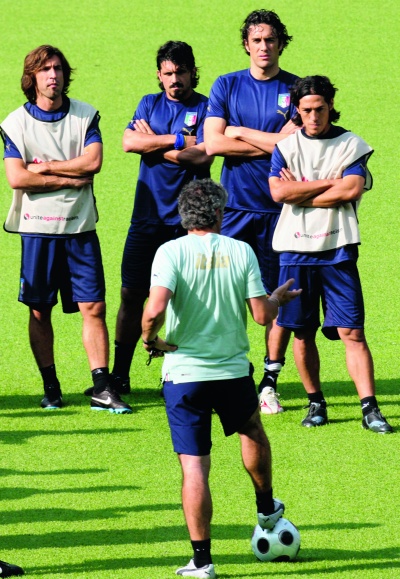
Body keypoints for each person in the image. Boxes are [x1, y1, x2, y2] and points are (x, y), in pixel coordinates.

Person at [141, 179, 301, 578]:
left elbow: (153, 310)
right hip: (232, 372)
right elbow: (262, 315)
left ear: (184, 215)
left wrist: (150, 340)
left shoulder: (169, 252)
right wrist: (277, 299)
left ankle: (202, 561)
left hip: (184, 376)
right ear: (218, 213)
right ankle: (265, 507)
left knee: (194, 467)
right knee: (251, 430)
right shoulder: (240, 250)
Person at [0, 45, 131, 414]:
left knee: (94, 306)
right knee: (39, 310)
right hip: (37, 230)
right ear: (32, 77)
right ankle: (51, 388)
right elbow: (17, 177)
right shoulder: (15, 123)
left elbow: (94, 162)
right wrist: (66, 178)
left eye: (57, 68)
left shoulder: (85, 116)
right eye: (44, 69)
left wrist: (44, 168)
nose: (53, 75)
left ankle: (102, 388)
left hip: (79, 228)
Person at [269, 75, 393, 433]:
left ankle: (370, 409)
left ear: (330, 105)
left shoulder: (350, 144)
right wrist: (329, 183)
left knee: (352, 331)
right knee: (302, 332)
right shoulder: (286, 147)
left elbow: (351, 189)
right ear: (297, 109)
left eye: (319, 109)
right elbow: (279, 193)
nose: (313, 116)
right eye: (306, 110)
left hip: (338, 249)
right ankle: (316, 403)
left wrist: (301, 191)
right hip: (295, 250)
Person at [97, 40, 213, 399]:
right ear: (159, 75)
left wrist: (155, 144)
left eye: (181, 72)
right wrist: (179, 140)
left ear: (193, 72)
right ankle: (120, 375)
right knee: (131, 294)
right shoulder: (149, 103)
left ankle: (184, 375)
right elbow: (129, 143)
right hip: (146, 219)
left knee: (189, 299)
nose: (175, 79)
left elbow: (202, 156)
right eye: (168, 73)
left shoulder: (208, 107)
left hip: (189, 223)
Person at [204, 9, 300, 415]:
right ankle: (226, 376)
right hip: (235, 211)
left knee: (278, 297)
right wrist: (272, 141)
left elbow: (295, 145)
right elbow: (213, 144)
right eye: (257, 40)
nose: (264, 46)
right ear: (246, 44)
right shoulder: (226, 84)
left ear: (281, 43)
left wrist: (240, 131)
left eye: (270, 39)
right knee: (224, 295)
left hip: (282, 211)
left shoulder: (296, 88)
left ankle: (269, 383)